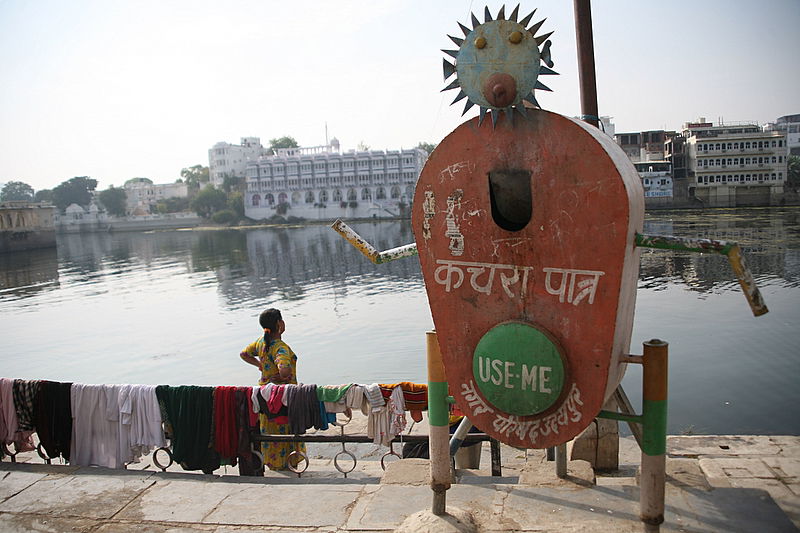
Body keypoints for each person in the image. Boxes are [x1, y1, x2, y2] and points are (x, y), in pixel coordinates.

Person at [239, 308, 305, 471]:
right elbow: (285, 369)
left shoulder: (261, 343)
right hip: (283, 397)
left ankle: (273, 463)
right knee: (285, 428)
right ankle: (288, 463)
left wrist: (260, 365)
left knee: (270, 429)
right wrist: (283, 377)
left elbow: (244, 354)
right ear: (280, 324)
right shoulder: (279, 347)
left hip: (264, 397)